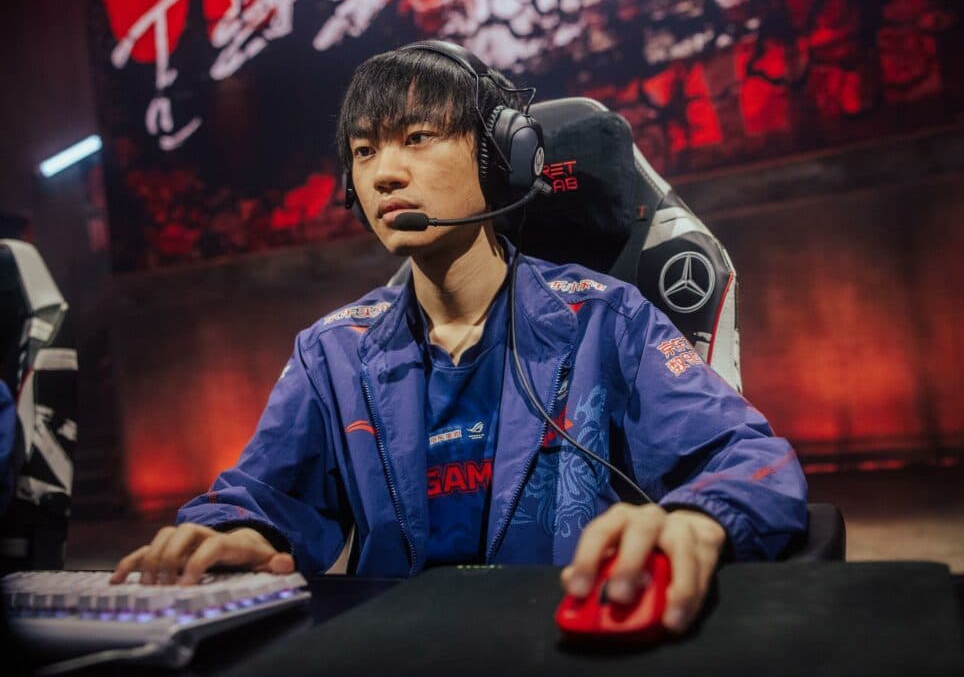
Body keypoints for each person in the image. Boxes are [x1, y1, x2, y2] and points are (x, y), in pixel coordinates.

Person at [112, 41, 807, 634]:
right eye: (364, 150)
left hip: (562, 647)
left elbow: (749, 459)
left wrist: (696, 520)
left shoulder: (607, 319)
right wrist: (235, 535)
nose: (384, 173)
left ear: (501, 156)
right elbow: (263, 496)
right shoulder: (331, 353)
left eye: (417, 137)